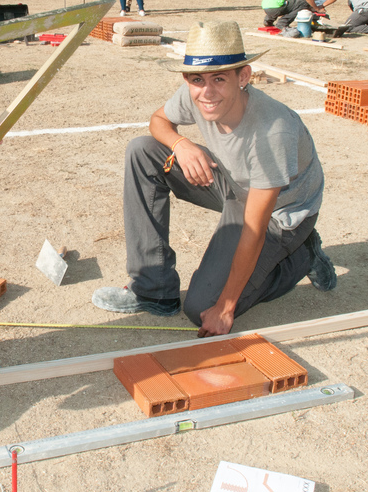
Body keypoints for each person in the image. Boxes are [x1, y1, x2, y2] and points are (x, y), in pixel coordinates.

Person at [91, 21, 335, 337]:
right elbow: (158, 120)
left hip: (280, 213)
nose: (207, 91)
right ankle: (154, 289)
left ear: (243, 77)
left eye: (219, 78)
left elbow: (254, 228)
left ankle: (302, 255)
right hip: (234, 183)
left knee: (201, 307)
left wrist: (225, 306)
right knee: (143, 151)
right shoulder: (197, 94)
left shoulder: (273, 132)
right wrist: (182, 145)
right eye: (197, 80)